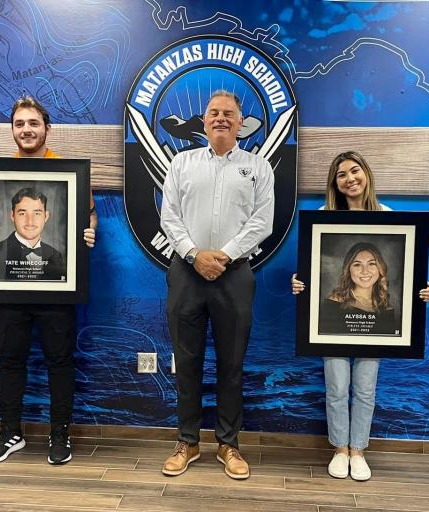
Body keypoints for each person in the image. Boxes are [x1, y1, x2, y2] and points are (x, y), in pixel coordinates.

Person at [0, 96, 97, 466]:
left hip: (58, 288)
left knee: (60, 361)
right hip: (7, 289)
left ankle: (60, 434)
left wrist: (89, 232)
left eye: (33, 123)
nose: (26, 130)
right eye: (20, 124)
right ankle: (10, 433)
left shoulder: (68, 170)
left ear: (46, 129)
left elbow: (90, 214)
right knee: (10, 361)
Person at [291, 151, 429, 481]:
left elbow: (416, 263)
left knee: (366, 389)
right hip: (331, 326)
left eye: (355, 171)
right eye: (341, 175)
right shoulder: (324, 216)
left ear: (366, 174)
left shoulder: (388, 216)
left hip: (376, 327)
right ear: (335, 184)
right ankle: (340, 449)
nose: (349, 178)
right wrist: (300, 283)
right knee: (337, 387)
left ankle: (359, 451)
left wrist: (422, 287)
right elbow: (307, 270)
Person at [159, 90, 274, 480]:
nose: (221, 118)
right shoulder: (181, 162)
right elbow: (169, 216)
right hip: (186, 272)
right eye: (214, 113)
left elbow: (263, 221)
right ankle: (187, 441)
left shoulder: (258, 167)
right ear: (203, 121)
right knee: (187, 362)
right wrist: (195, 254)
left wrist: (222, 254)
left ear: (241, 122)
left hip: (235, 275)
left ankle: (229, 444)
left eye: (229, 113)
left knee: (232, 365)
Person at [0, 187, 66, 281]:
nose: (30, 221)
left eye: (37, 213)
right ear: (12, 216)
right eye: (22, 213)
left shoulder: (56, 256)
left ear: (46, 216)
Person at [318, 242, 398, 336]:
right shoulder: (333, 304)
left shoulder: (386, 308)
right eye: (357, 265)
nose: (365, 271)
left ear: (380, 268)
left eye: (372, 263)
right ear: (348, 269)